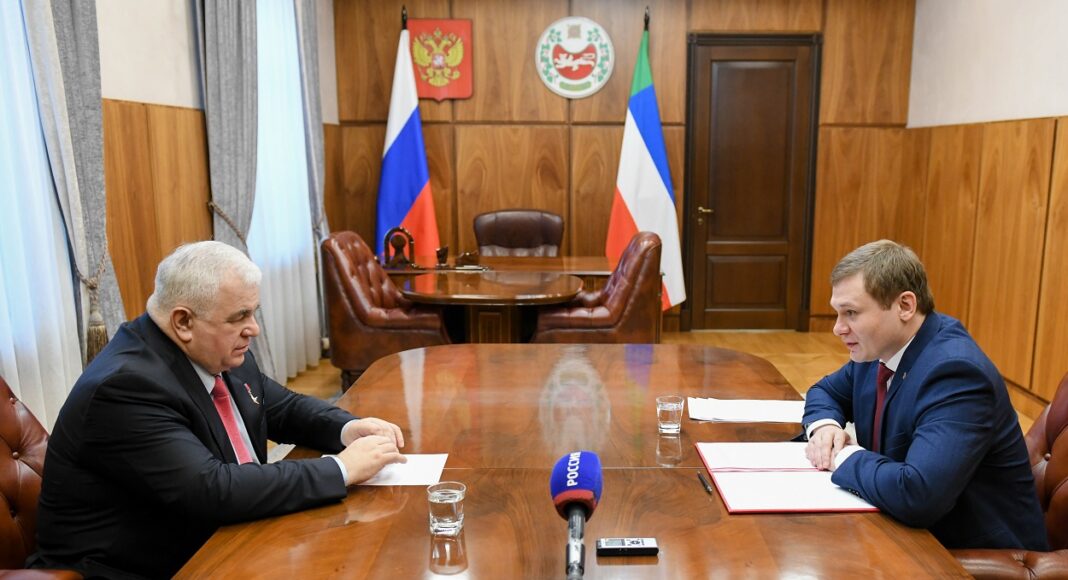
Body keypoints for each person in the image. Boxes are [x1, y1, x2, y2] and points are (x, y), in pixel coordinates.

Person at [31, 241, 408, 578]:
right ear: (183, 322)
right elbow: (212, 489)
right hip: (142, 566)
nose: (254, 329)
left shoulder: (216, 347)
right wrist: (341, 468)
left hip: (225, 535)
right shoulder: (125, 387)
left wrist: (348, 429)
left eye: (253, 312)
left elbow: (282, 407)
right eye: (239, 316)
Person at [803, 240, 1048, 550]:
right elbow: (825, 392)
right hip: (901, 531)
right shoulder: (878, 351)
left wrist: (843, 456)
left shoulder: (956, 373)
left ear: (905, 306)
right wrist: (825, 426)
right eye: (837, 313)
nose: (838, 328)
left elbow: (919, 494)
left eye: (851, 313)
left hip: (976, 557)